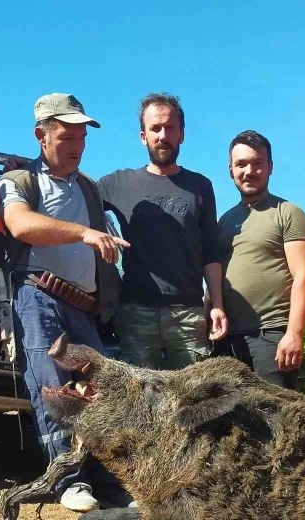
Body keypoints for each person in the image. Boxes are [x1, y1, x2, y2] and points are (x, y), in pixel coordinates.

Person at [0, 93, 129, 512]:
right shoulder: (17, 183)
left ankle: (106, 482)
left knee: (98, 392)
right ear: (41, 135)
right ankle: (68, 480)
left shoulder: (88, 187)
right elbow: (19, 224)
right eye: (67, 136)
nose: (77, 146)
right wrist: (84, 234)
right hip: (39, 296)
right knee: (54, 389)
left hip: (83, 304)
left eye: (82, 138)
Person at [97, 93, 227, 368]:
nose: (162, 135)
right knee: (141, 401)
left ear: (181, 134)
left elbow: (211, 251)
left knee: (192, 402)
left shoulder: (200, 186)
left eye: (170, 128)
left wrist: (216, 303)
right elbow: (74, 191)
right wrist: (26, 167)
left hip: (189, 314)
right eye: (155, 128)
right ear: (143, 136)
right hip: (135, 313)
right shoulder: (118, 183)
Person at [215, 130, 305, 388]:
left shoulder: (288, 213)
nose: (249, 171)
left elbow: (304, 276)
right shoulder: (224, 221)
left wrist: (294, 334)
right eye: (241, 164)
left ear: (269, 167)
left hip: (271, 337)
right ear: (230, 170)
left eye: (257, 163)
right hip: (229, 340)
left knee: (273, 420)